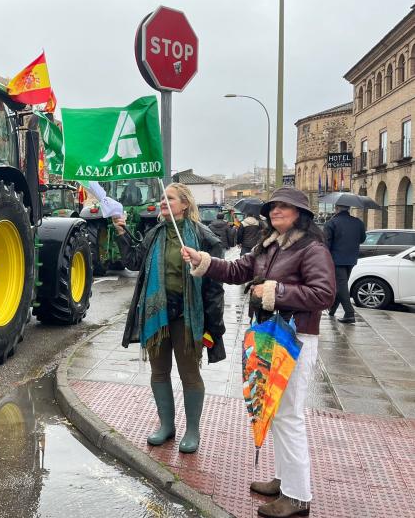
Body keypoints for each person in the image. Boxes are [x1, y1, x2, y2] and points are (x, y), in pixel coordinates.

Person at [181, 187, 336, 518]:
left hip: (295, 338)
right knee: (275, 412)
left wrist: (276, 291)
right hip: (269, 336)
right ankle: (285, 480)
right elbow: (238, 271)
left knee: (288, 415)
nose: (276, 211)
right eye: (273, 206)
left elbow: (323, 294)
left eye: (285, 207)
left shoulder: (313, 249)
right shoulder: (268, 245)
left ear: (301, 214)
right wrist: (203, 261)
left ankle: (297, 496)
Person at [112, 183, 226, 455]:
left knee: (189, 373)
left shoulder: (204, 237)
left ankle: (192, 430)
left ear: (185, 204)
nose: (164, 202)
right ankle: (166, 426)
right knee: (159, 371)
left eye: (170, 199)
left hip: (187, 316)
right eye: (163, 198)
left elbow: (214, 286)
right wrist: (121, 231)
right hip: (157, 316)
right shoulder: (156, 233)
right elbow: (134, 261)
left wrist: (215, 326)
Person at [324, 203, 366, 323]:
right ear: (348, 208)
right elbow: (362, 238)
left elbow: (326, 243)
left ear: (336, 209)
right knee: (341, 285)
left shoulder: (331, 223)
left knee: (341, 286)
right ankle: (332, 309)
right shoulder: (358, 222)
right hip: (351, 258)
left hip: (336, 259)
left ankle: (349, 313)